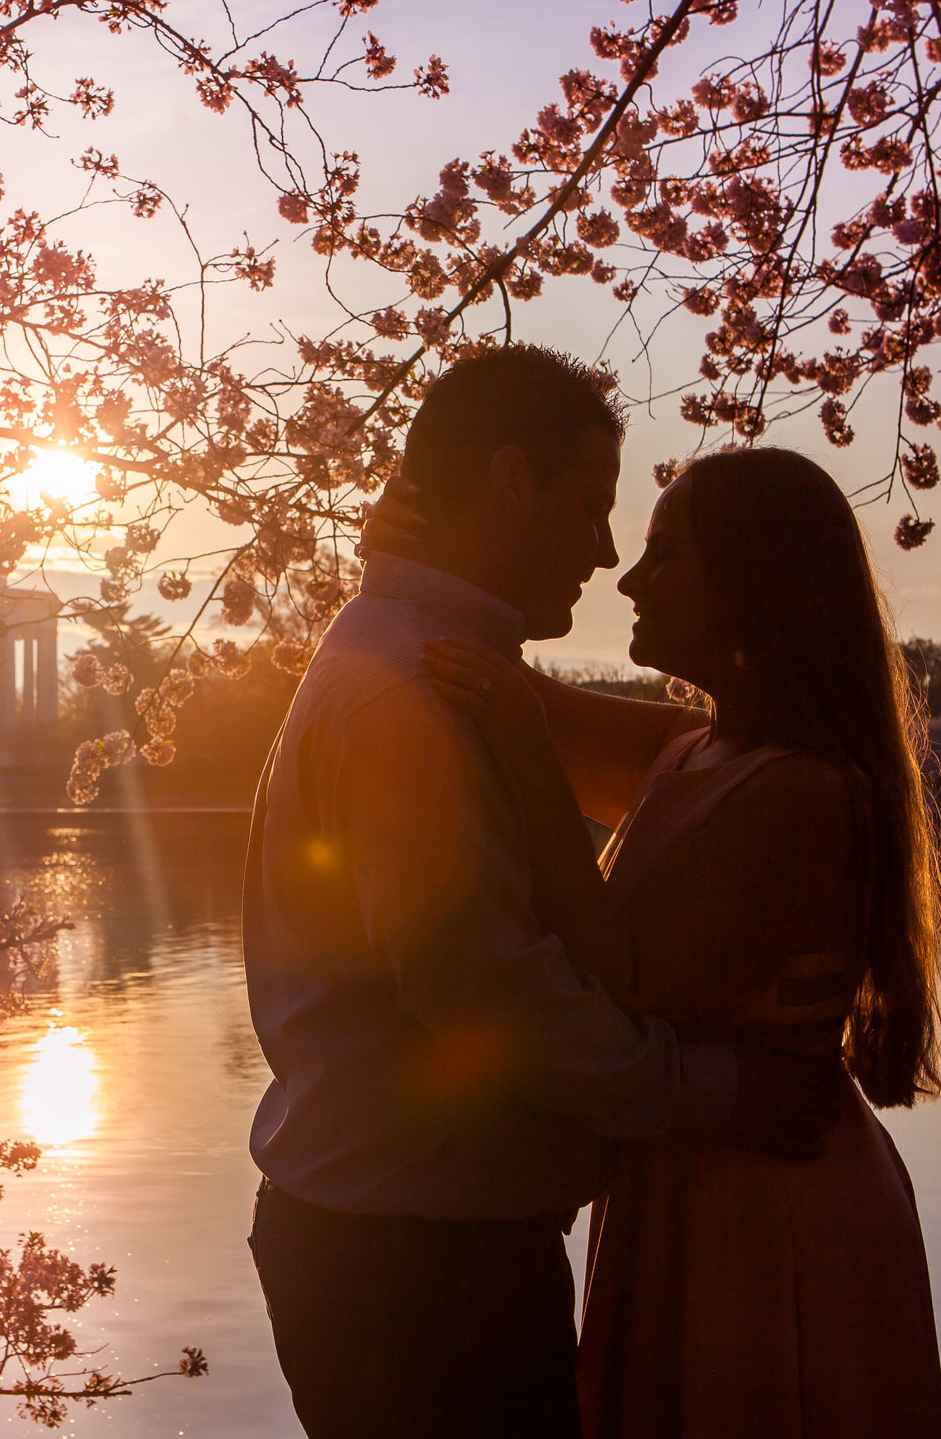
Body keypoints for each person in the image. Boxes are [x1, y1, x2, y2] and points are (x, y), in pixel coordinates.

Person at [243, 346, 847, 1439]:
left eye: (649, 541)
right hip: (416, 1266)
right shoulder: (412, 697)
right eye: (589, 505)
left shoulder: (437, 668)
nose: (606, 552)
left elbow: (697, 757)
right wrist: (710, 1089)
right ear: (510, 480)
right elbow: (485, 997)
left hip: (411, 1247)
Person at [375, 445, 941, 1439]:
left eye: (664, 552)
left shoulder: (802, 793)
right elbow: (506, 688)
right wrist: (416, 559)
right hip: (693, 1177)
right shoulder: (694, 747)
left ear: (751, 581)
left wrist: (516, 740)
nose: (627, 578)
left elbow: (622, 971)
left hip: (767, 1213)